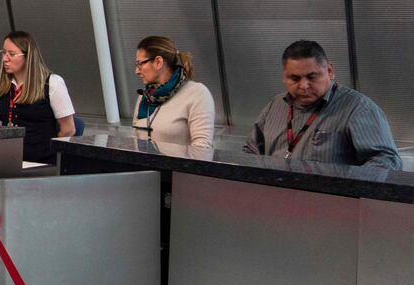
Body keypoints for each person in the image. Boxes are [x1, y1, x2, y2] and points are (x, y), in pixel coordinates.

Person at [243, 40, 401, 169]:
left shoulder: (357, 108)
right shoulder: (275, 106)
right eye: (295, 78)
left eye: (312, 77)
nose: (304, 86)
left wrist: (346, 187)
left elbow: (386, 160)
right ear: (284, 77)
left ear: (330, 71)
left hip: (328, 196)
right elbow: (250, 151)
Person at [0, 30, 75, 164]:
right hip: (7, 160)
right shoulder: (0, 86)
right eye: (3, 53)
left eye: (11, 54)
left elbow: (68, 130)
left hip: (42, 162)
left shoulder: (52, 83)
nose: (5, 59)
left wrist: (52, 157)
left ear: (28, 57)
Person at [132, 36, 215, 147]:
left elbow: (202, 147)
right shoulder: (145, 96)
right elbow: (135, 139)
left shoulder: (197, 93)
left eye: (140, 64)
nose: (137, 71)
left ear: (158, 62)